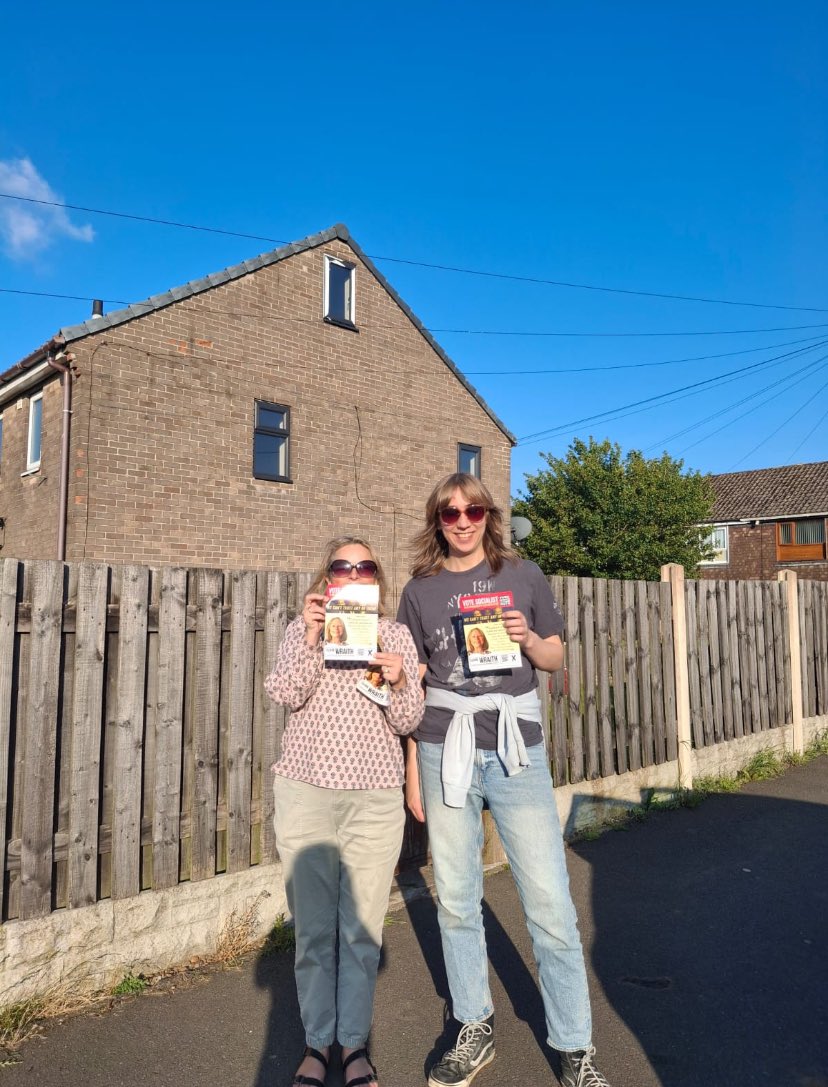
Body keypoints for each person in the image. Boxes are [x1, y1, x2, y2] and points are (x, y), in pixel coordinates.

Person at [397, 475, 611, 1087]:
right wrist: (414, 767)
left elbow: (555, 658)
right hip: (444, 748)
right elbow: (416, 682)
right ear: (436, 519)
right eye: (449, 512)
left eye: (473, 510)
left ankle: (574, 1048)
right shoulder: (420, 590)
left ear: (490, 515)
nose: (461, 521)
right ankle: (473, 1024)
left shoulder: (524, 576)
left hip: (516, 750)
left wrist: (528, 638)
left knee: (548, 901)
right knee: (458, 899)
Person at [265, 536, 424, 1087]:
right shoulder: (300, 630)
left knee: (361, 934)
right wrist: (310, 634)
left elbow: (407, 723)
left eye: (365, 566)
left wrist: (402, 677)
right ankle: (316, 1044)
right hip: (306, 794)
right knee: (312, 931)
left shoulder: (395, 634)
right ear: (327, 576)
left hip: (374, 799)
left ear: (377, 577)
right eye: (342, 565)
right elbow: (286, 692)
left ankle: (353, 1047)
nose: (354, 572)